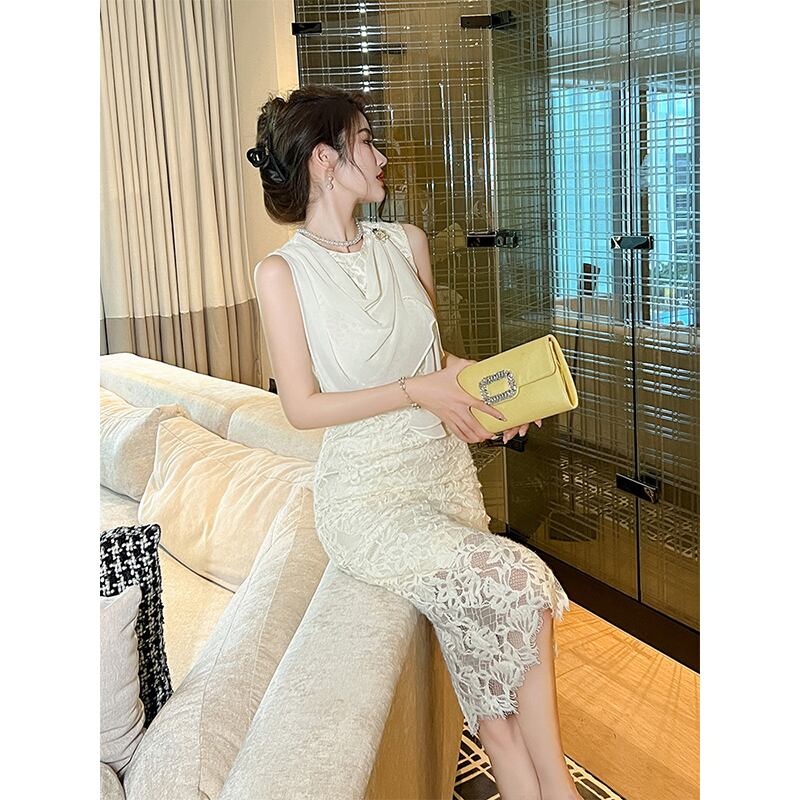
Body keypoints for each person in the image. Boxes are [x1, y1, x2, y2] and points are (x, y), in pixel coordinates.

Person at [248, 84, 578, 800]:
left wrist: (495, 399)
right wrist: (416, 391)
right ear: (325, 161)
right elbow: (302, 407)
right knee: (520, 581)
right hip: (368, 499)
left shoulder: (406, 242)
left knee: (494, 705)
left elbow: (436, 365)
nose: (382, 157)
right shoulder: (282, 274)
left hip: (446, 476)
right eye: (366, 141)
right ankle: (560, 789)